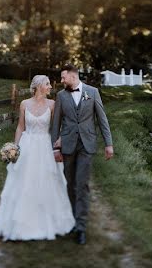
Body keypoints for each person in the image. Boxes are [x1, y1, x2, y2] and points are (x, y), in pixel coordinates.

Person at [0, 75, 75, 240]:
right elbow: (20, 126)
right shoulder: (24, 104)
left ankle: (47, 221)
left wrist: (59, 142)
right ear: (38, 86)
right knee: (23, 181)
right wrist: (14, 147)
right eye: (48, 84)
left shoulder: (52, 104)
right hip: (27, 145)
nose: (51, 86)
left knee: (46, 180)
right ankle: (21, 223)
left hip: (44, 145)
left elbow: (61, 126)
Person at [52, 64, 114, 245]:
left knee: (82, 184)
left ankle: (81, 226)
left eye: (63, 77)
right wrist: (55, 147)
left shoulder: (92, 92)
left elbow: (102, 119)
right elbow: (55, 124)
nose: (61, 81)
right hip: (68, 146)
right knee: (70, 184)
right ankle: (73, 219)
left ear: (72, 76)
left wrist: (108, 144)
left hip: (87, 145)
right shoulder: (61, 96)